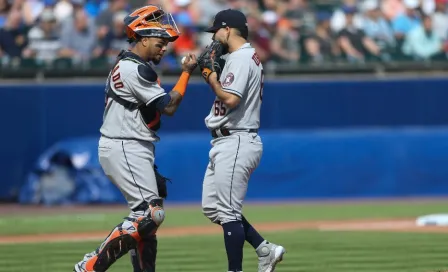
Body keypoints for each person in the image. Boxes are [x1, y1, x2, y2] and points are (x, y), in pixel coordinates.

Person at [73, 5, 197, 272]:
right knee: (149, 215)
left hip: (131, 144)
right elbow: (170, 106)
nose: (164, 48)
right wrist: (187, 73)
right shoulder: (134, 69)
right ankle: (91, 265)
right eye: (159, 42)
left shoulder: (130, 64)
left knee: (147, 224)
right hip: (124, 144)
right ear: (142, 39)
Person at [197, 9, 286, 272]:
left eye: (216, 31)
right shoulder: (240, 57)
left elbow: (232, 99)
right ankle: (264, 249)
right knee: (213, 209)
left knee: (228, 213)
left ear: (228, 29)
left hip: (236, 139)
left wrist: (210, 77)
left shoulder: (242, 58)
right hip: (225, 140)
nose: (214, 37)